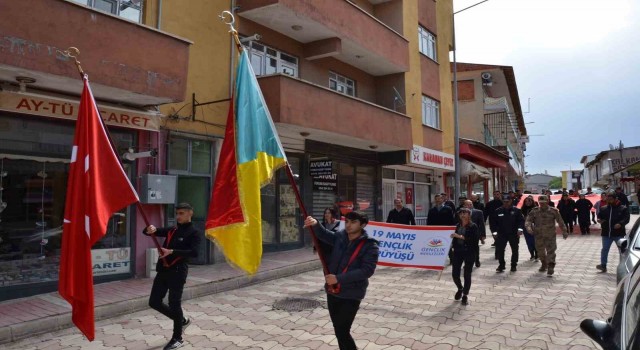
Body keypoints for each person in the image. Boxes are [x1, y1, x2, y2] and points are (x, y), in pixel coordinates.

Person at [303, 211, 379, 350]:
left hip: (352, 294)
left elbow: (367, 270)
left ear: (362, 225)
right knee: (339, 330)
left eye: (353, 222)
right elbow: (324, 235)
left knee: (342, 331)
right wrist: (315, 224)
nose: (349, 225)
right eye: (347, 222)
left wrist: (338, 278)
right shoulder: (340, 236)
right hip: (333, 291)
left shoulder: (370, 246)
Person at [144, 203, 201, 350]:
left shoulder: (194, 232)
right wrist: (150, 229)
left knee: (174, 303)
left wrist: (172, 251)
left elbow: (194, 253)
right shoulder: (173, 230)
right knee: (154, 302)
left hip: (178, 272)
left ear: (190, 213)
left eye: (181, 213)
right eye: (177, 213)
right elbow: (150, 232)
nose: (178, 216)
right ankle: (181, 320)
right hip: (163, 270)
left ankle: (177, 338)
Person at [525, 195, 567, 276]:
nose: (542, 205)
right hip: (538, 235)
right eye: (540, 203)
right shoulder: (534, 211)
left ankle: (551, 266)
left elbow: (560, 221)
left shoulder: (553, 211)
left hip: (550, 235)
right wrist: (528, 228)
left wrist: (564, 231)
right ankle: (544, 263)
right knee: (540, 251)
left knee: (551, 251)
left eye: (544, 203)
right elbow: (528, 220)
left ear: (547, 202)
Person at [449, 208, 480, 306]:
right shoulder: (456, 226)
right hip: (458, 252)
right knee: (455, 274)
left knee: (467, 274)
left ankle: (465, 295)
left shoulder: (473, 226)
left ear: (469, 215)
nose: (462, 215)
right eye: (461, 213)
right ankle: (460, 288)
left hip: (469, 252)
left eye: (464, 213)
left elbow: (474, 240)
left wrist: (459, 236)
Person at [489, 194, 525, 272]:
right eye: (504, 201)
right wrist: (494, 233)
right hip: (501, 234)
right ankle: (501, 265)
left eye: (508, 201)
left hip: (513, 234)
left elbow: (521, 221)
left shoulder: (516, 211)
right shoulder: (498, 211)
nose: (506, 203)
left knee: (515, 250)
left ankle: (513, 265)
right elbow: (493, 223)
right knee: (500, 250)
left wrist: (520, 229)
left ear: (511, 201)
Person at [596, 193, 630, 273]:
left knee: (622, 250)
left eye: (611, 199)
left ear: (615, 199)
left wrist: (620, 224)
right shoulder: (603, 208)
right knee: (604, 249)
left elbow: (626, 219)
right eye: (608, 199)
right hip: (606, 233)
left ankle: (623, 266)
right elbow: (599, 217)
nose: (609, 201)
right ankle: (603, 265)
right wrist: (599, 220)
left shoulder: (623, 208)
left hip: (618, 234)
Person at [463, 200, 485, 267]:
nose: (469, 206)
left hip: (475, 234)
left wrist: (483, 235)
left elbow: (482, 224)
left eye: (470, 204)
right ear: (464, 206)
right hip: (464, 233)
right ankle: (466, 262)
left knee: (475, 248)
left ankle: (477, 260)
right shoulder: (461, 213)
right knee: (464, 248)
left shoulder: (478, 212)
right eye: (467, 204)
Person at [521, 196, 538, 261]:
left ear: (532, 201)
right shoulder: (522, 210)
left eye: (529, 201)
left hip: (535, 227)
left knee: (535, 241)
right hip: (526, 227)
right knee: (528, 241)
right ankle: (532, 254)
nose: (527, 202)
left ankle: (537, 254)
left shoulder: (536, 209)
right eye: (526, 201)